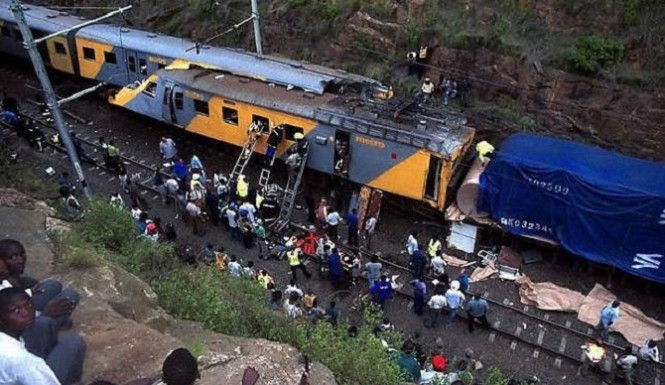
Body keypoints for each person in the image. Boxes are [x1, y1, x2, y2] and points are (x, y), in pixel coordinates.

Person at [0, 287, 86, 385]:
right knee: (73, 343)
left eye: (28, 304)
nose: (26, 313)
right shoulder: (24, 361)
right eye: (15, 310)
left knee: (45, 323)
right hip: (29, 372)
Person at [0, 239, 79, 330]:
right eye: (13, 258)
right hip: (24, 331)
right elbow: (11, 325)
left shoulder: (5, 282)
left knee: (53, 285)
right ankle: (50, 329)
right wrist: (47, 314)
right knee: (70, 296)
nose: (21, 260)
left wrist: (30, 292)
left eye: (23, 255)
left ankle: (52, 323)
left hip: (27, 315)